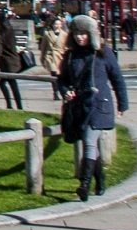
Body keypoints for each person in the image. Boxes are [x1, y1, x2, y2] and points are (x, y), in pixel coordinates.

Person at [55, 13, 128, 200]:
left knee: (88, 141)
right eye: (77, 33)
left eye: (84, 33)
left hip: (98, 104)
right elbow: (62, 79)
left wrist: (122, 104)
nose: (80, 37)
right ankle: (100, 179)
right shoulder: (71, 55)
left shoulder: (103, 52)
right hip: (79, 106)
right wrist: (65, 91)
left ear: (91, 33)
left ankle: (84, 185)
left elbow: (117, 79)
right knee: (90, 145)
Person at [0, 4, 27, 109]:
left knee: (5, 83)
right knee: (12, 84)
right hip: (13, 60)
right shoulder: (9, 28)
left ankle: (11, 105)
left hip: (7, 62)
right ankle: (18, 106)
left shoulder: (0, 31)